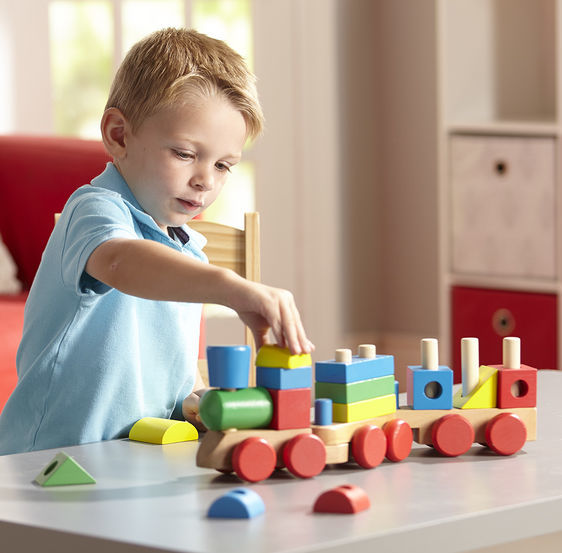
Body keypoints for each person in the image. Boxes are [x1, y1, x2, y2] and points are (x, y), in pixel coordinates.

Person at [0, 28, 313, 455]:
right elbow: (121, 263)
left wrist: (195, 402)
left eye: (223, 165)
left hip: (133, 461)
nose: (205, 179)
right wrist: (228, 286)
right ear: (119, 135)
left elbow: (172, 372)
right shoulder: (94, 210)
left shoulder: (189, 253)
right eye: (185, 153)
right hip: (47, 463)